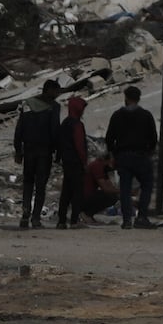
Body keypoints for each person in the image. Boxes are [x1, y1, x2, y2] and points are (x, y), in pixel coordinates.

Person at [104, 86, 159, 228]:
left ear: (126, 98)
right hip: (141, 156)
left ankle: (127, 219)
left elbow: (109, 138)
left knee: (125, 188)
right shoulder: (146, 115)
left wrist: (112, 155)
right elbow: (153, 138)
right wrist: (149, 152)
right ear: (139, 98)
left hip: (123, 157)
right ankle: (142, 217)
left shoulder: (117, 115)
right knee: (147, 184)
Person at [10, 91, 62, 229]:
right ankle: (36, 218)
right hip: (44, 153)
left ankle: (25, 212)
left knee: (28, 183)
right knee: (40, 186)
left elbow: (19, 130)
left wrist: (18, 151)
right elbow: (54, 130)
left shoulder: (28, 106)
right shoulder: (53, 108)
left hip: (29, 152)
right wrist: (58, 151)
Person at [55, 92, 93, 228]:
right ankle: (74, 220)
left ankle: (61, 220)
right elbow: (79, 145)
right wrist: (84, 162)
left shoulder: (64, 123)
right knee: (77, 192)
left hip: (66, 161)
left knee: (66, 191)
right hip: (76, 162)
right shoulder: (77, 125)